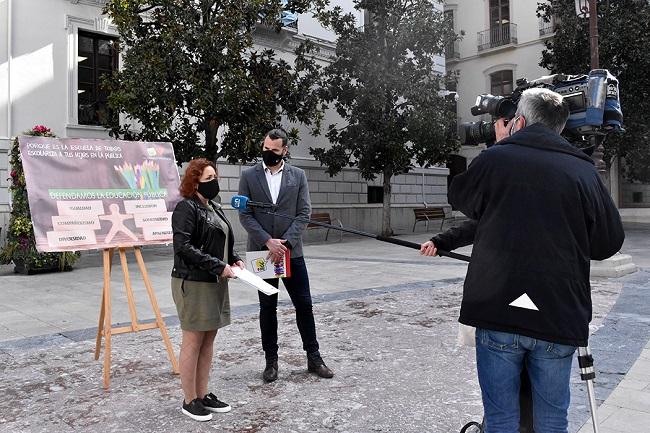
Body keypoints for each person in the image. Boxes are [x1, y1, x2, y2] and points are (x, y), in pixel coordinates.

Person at [421, 88, 624, 433]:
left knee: (501, 419)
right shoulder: (584, 171)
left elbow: (461, 196)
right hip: (558, 314)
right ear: (560, 127)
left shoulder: (498, 157)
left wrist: (500, 146)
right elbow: (607, 243)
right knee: (551, 420)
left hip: (497, 308)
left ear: (518, 121)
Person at [238, 128, 334, 382]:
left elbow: (304, 212)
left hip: (292, 254)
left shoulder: (298, 176)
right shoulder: (248, 175)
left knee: (304, 305)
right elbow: (244, 214)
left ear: (285, 151)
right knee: (267, 307)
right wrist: (267, 241)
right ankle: (271, 361)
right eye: (265, 148)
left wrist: (286, 243)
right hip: (262, 253)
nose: (268, 153)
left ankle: (314, 357)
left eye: (274, 150)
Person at [171, 158, 245, 421]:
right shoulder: (186, 208)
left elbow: (220, 239)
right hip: (193, 282)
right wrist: (217, 265)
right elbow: (184, 247)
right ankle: (189, 399)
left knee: (208, 339)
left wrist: (233, 258)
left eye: (216, 177)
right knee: (193, 340)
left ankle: (202, 395)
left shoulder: (213, 206)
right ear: (195, 182)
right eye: (209, 178)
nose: (215, 182)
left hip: (215, 279)